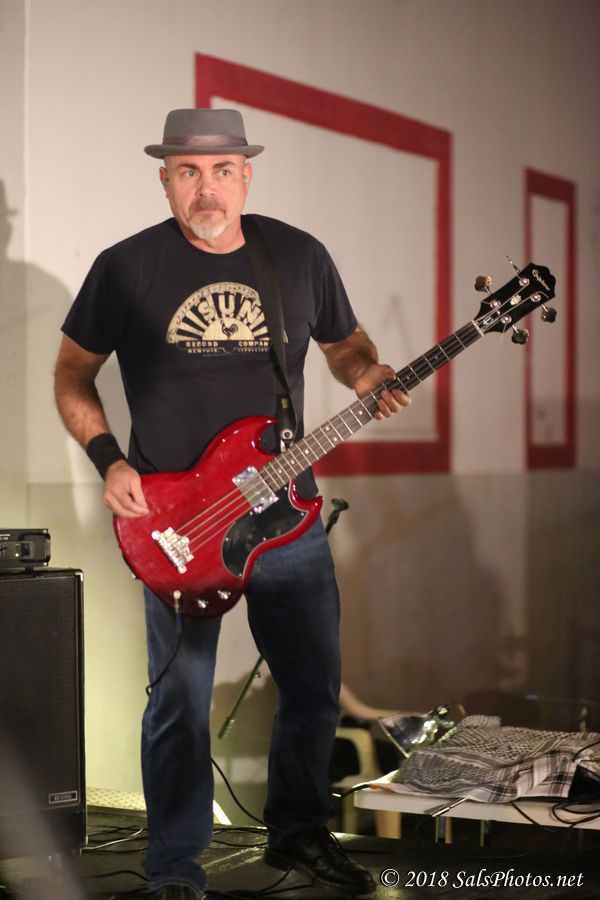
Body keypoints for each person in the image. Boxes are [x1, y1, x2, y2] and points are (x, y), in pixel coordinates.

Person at [54, 108, 410, 900]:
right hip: (178, 523)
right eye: (188, 171)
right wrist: (109, 459)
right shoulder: (127, 267)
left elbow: (347, 346)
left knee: (312, 686)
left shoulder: (297, 256)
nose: (205, 188)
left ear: (247, 175)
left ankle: (299, 833)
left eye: (221, 170)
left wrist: (368, 375)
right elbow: (73, 371)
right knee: (179, 702)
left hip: (287, 516)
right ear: (164, 179)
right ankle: (176, 869)